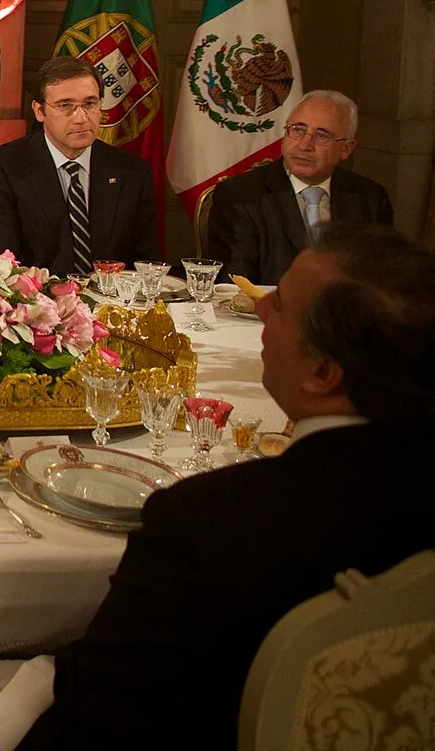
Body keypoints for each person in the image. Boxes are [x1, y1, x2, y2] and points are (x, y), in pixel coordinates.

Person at [21, 225, 435, 751]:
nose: (259, 312)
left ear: (323, 371)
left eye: (278, 306)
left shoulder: (209, 524)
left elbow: (97, 716)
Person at [0, 56, 159, 273]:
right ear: (39, 111)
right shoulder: (1, 168)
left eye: (90, 104)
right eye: (65, 106)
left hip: (113, 302)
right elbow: (2, 265)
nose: (81, 118)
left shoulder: (132, 172)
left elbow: (146, 265)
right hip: (38, 302)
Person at [205, 90, 393, 286]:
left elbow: (381, 280)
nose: (304, 145)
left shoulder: (371, 197)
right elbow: (236, 286)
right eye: (297, 130)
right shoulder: (241, 196)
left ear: (346, 148)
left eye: (322, 135)